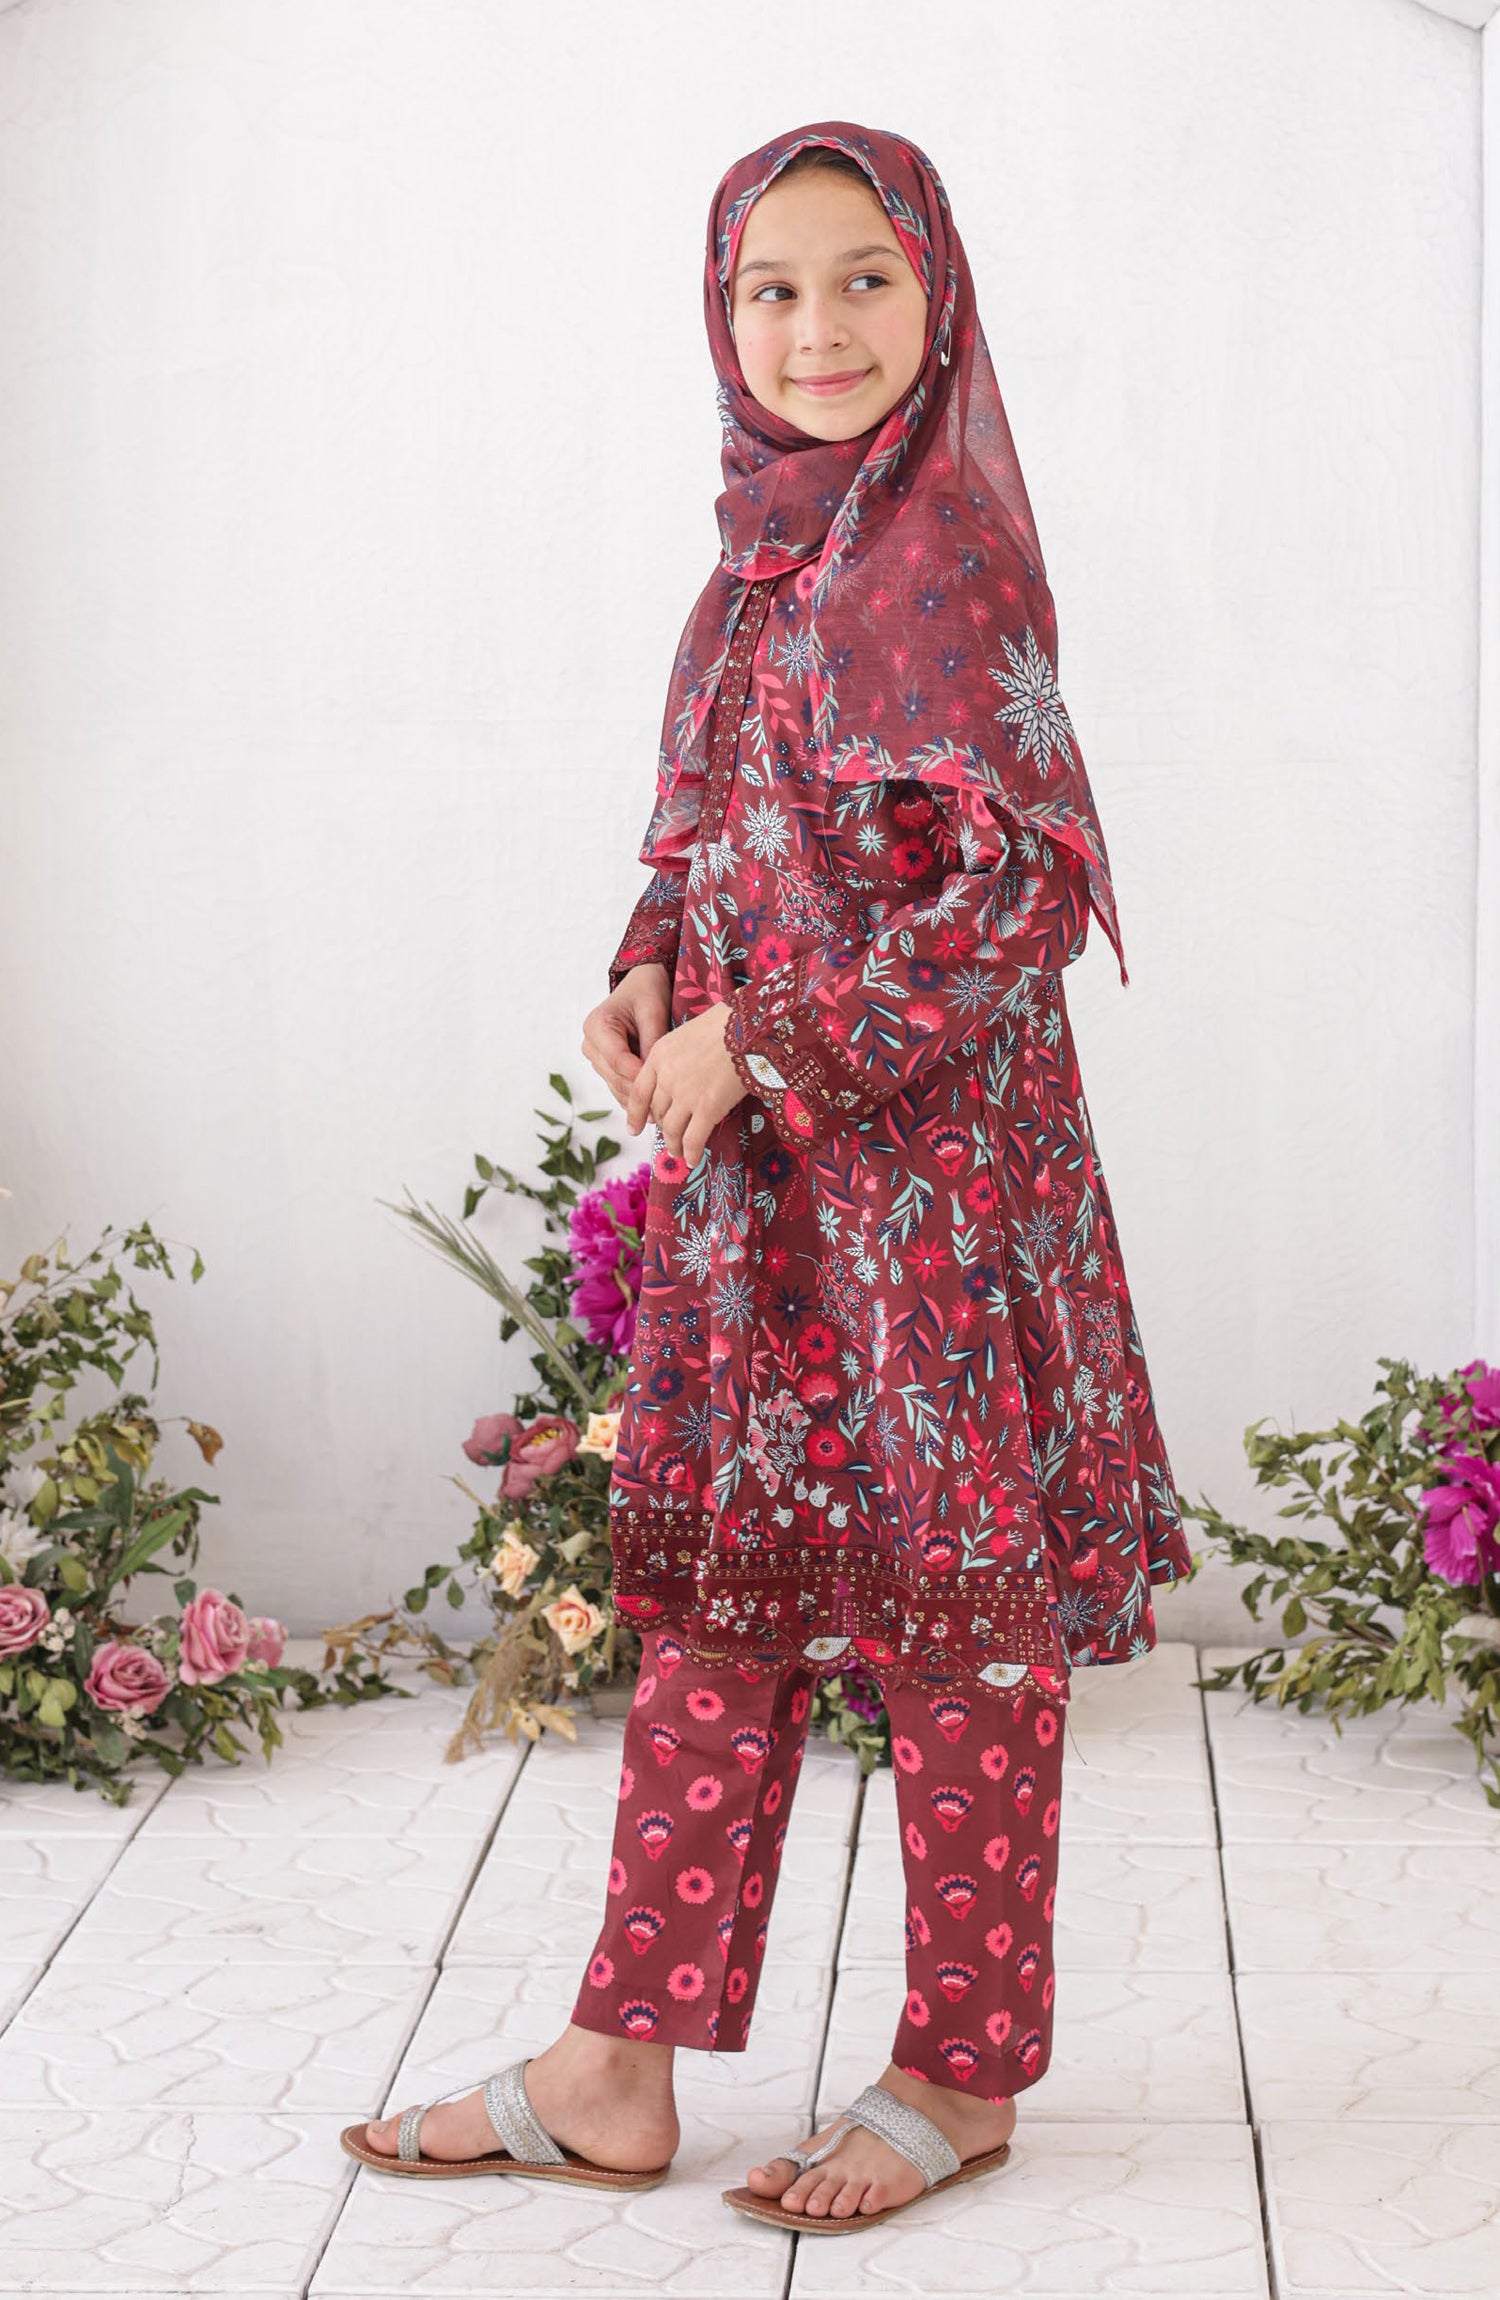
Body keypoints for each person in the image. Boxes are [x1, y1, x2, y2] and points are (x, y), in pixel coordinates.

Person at [341, 118, 1193, 2234]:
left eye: (863, 279)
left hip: (937, 1203)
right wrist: (648, 966)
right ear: (720, 316)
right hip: (767, 1200)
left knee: (957, 1631)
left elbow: (1019, 892)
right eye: (771, 288)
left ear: (939, 296)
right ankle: (614, 2067)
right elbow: (707, 825)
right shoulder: (756, 561)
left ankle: (964, 2070)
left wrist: (778, 1036)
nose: (817, 327)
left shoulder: (944, 552)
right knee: (714, 1610)